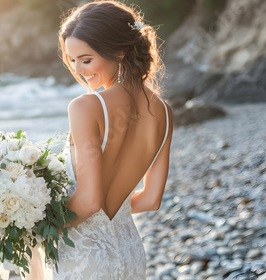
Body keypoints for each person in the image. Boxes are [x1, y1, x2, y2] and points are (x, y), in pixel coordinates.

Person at [22, 1, 173, 279]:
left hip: (83, 256)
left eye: (87, 59)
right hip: (130, 253)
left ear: (119, 50)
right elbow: (151, 199)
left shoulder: (86, 107)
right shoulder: (163, 110)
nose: (78, 70)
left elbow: (90, 202)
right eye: (72, 60)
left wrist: (35, 228)